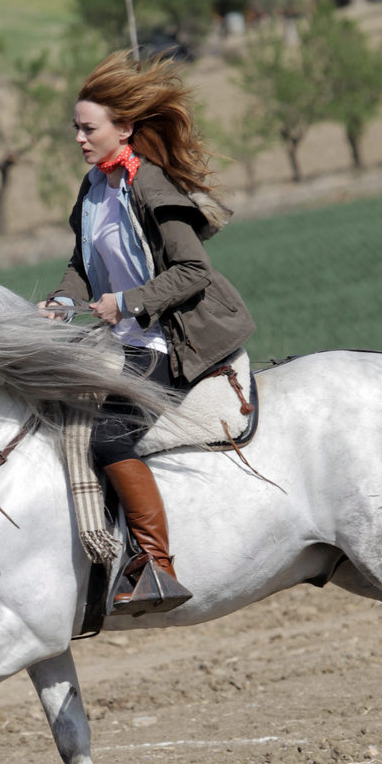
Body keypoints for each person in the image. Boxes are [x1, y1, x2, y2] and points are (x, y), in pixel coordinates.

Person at [39, 51, 255, 615]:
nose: (80, 140)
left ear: (125, 128)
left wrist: (128, 302)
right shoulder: (92, 188)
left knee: (109, 438)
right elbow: (83, 262)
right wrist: (63, 300)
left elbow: (192, 272)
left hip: (169, 342)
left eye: (89, 129)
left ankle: (157, 567)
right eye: (76, 130)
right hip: (125, 339)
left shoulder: (151, 185)